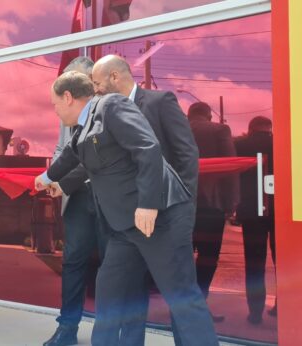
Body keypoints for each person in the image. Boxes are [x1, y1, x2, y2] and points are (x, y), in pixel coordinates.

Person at [36, 71, 217, 346]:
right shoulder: (82, 127)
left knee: (182, 297)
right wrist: (49, 179)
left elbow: (148, 147)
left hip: (160, 220)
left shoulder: (112, 106)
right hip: (126, 226)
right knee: (108, 290)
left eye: (55, 105)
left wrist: (148, 204)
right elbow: (72, 156)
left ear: (68, 97)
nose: (56, 112)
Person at [90, 54, 201, 342]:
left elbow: (186, 155)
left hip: (166, 219)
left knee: (179, 295)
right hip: (129, 225)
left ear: (115, 77)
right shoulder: (104, 113)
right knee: (124, 289)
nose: (96, 90)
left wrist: (182, 207)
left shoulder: (158, 102)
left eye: (98, 83)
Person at [42, 56, 109, 346]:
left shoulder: (109, 109)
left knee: (112, 266)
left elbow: (95, 157)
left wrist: (59, 179)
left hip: (108, 198)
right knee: (73, 263)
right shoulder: (67, 112)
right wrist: (52, 179)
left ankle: (107, 333)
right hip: (77, 198)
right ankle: (67, 328)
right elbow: (63, 149)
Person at [187, 101, 237, 322]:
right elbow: (230, 166)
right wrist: (231, 203)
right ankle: (199, 305)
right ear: (208, 115)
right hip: (209, 205)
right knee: (208, 258)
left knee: (181, 257)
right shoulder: (219, 130)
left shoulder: (174, 127)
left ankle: (181, 307)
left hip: (178, 204)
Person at [234, 116, 276, 325]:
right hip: (280, 213)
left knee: (254, 263)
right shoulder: (281, 143)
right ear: (269, 129)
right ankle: (282, 306)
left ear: (250, 129)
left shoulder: (240, 145)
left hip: (252, 212)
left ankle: (256, 312)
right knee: (283, 262)